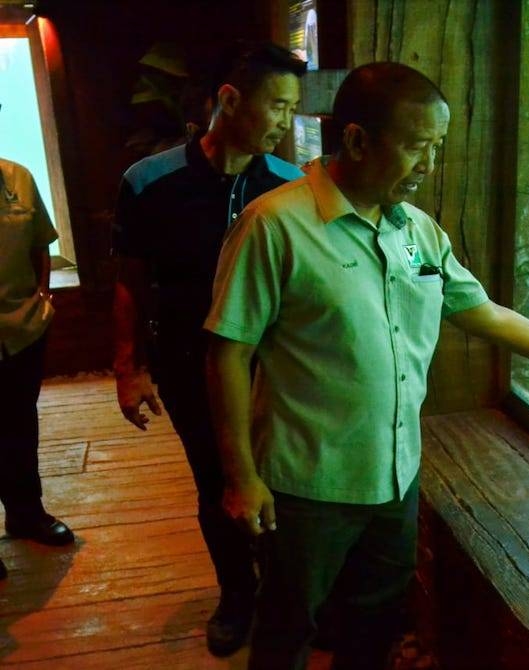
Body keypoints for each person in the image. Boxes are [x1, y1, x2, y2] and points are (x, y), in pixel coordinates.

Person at [203, 61, 529, 670]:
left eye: (436, 148)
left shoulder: (417, 232)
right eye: (416, 147)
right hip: (305, 482)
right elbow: (228, 350)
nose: (429, 166)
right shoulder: (273, 225)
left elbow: (484, 313)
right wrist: (241, 478)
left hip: (394, 475)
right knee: (287, 624)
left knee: (375, 619)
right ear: (357, 140)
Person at [110, 42, 306, 657]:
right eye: (277, 105)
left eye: (292, 108)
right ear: (229, 100)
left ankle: (284, 597)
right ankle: (237, 595)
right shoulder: (149, 181)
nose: (284, 121)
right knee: (216, 481)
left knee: (277, 479)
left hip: (272, 368)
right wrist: (129, 366)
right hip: (188, 361)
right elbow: (130, 281)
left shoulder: (290, 186)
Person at [0, 156, 74, 584]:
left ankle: (26, 514)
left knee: (19, 422)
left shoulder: (18, 179)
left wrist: (43, 296)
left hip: (22, 327)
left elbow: (40, 241)